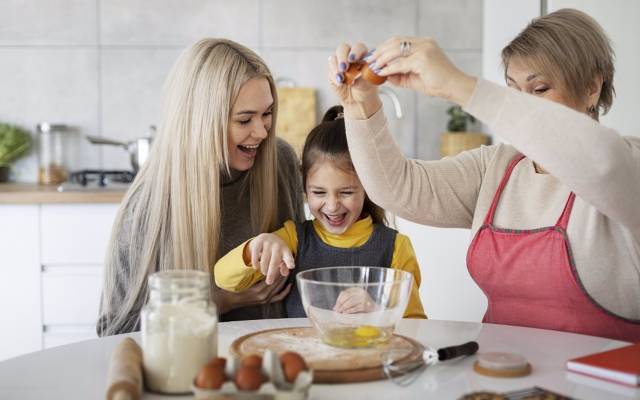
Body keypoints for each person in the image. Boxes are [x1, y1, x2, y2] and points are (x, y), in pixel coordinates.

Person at [328, 9, 640, 341]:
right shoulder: (497, 168)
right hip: (498, 380)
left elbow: (602, 164)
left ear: (592, 87)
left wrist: (458, 86)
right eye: (511, 90)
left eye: (539, 90)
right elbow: (398, 188)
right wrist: (361, 104)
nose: (521, 106)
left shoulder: (627, 166)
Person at [97, 38, 304, 336]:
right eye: (245, 119)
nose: (261, 132)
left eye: (267, 114)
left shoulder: (279, 161)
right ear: (202, 121)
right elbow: (114, 332)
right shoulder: (148, 206)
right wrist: (216, 302)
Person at [214, 106, 426, 319]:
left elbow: (416, 325)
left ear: (368, 188)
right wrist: (255, 248)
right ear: (305, 188)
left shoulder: (397, 248)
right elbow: (223, 278)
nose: (332, 206)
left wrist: (378, 311)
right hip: (302, 353)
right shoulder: (294, 239)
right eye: (319, 192)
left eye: (346, 192)